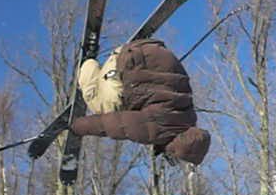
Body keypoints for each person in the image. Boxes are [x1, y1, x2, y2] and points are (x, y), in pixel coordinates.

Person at [70, 38, 210, 165]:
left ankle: (110, 70)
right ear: (176, 150)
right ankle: (88, 63)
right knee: (101, 104)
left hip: (151, 49)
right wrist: (76, 127)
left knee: (128, 102)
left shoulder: (188, 118)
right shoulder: (158, 130)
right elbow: (112, 124)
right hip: (124, 62)